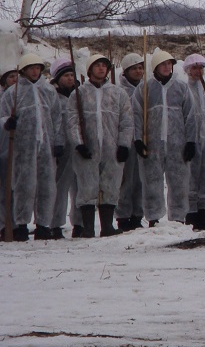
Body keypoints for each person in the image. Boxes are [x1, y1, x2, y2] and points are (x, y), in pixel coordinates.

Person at [68, 54, 134, 237]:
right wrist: (79, 144)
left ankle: (107, 226)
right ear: (90, 69)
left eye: (104, 65)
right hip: (87, 148)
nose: (101, 69)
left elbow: (127, 121)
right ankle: (87, 227)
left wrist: (123, 145)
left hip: (111, 148)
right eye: (97, 65)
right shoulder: (79, 93)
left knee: (111, 185)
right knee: (87, 186)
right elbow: (72, 121)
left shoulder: (118, 93)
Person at [0, 53, 63, 241]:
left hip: (46, 145)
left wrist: (58, 141)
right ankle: (21, 223)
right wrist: (7, 122)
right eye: (31, 68)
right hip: (22, 146)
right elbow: (3, 115)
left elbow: (57, 118)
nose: (35, 71)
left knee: (46, 185)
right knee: (23, 185)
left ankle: (43, 224)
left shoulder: (49, 91)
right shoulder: (14, 92)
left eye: (38, 68)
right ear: (24, 71)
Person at [131, 50, 197, 226]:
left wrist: (191, 141)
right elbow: (136, 115)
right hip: (152, 144)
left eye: (170, 64)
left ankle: (178, 218)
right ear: (155, 67)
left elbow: (190, 116)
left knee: (179, 182)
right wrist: (138, 139)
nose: (167, 67)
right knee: (151, 181)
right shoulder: (144, 88)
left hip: (178, 144)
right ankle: (154, 218)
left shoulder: (182, 88)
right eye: (163, 64)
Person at [182, 54, 205, 231]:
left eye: (201, 68)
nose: (198, 72)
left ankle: (203, 213)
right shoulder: (184, 90)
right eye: (194, 68)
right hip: (191, 140)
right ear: (188, 71)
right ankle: (191, 214)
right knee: (191, 178)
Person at [49, 57, 81, 239]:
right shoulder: (53, 96)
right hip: (61, 149)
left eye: (72, 75)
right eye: (66, 75)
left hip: (79, 147)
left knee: (80, 186)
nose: (70, 79)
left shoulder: (79, 95)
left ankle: (79, 223)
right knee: (59, 187)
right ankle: (54, 223)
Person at [116, 53, 146, 230]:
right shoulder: (119, 91)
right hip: (126, 142)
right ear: (126, 71)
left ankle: (137, 215)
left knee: (141, 180)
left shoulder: (146, 89)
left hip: (143, 141)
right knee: (126, 180)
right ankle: (123, 216)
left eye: (140, 67)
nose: (138, 71)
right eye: (134, 68)